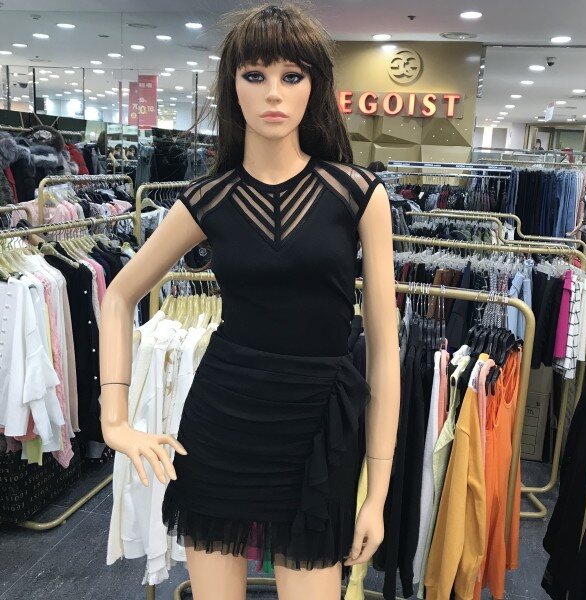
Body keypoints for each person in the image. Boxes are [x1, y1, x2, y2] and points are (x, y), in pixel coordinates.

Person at [99, 4, 400, 600]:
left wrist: (378, 494)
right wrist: (115, 423)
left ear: (315, 86)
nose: (274, 93)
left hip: (318, 425)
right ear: (232, 85)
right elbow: (120, 293)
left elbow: (385, 351)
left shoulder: (359, 196)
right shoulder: (208, 199)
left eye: (292, 75)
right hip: (224, 421)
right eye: (255, 75)